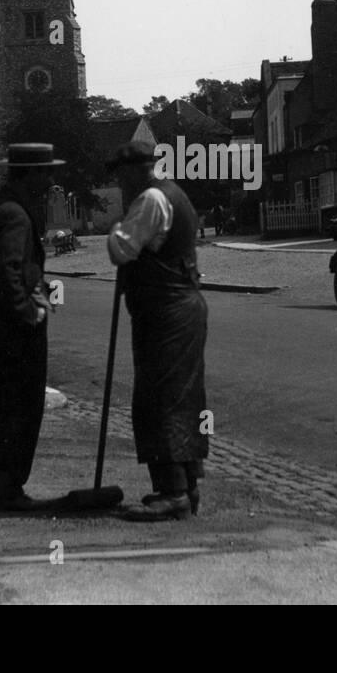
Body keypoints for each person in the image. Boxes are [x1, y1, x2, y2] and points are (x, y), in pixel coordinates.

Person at [106, 141, 209, 521]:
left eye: (120, 172)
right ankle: (187, 485)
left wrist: (115, 228)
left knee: (158, 397)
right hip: (182, 306)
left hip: (165, 311)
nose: (119, 179)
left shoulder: (150, 199)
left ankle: (173, 493)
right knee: (181, 395)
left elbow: (122, 249)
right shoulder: (174, 193)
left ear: (136, 170)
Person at [0, 142, 63, 511]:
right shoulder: (17, 215)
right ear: (29, 174)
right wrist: (29, 311)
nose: (51, 179)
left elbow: (9, 268)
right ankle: (6, 487)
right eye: (45, 172)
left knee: (3, 403)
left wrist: (36, 282)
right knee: (22, 406)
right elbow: (7, 270)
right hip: (15, 330)